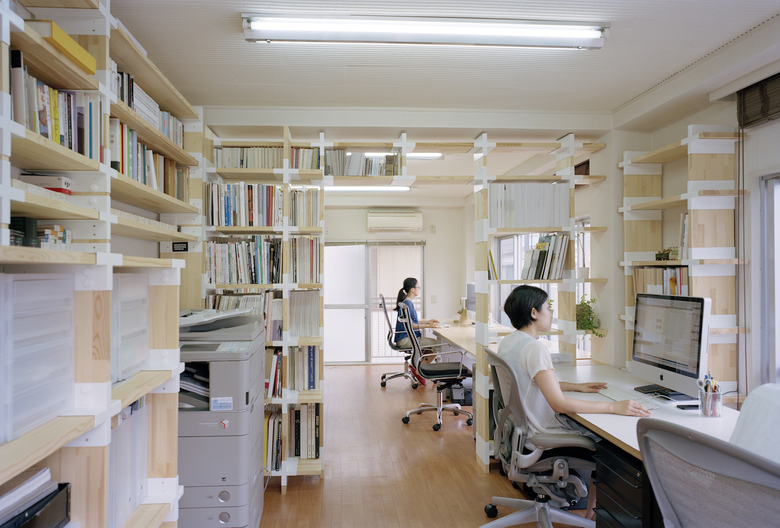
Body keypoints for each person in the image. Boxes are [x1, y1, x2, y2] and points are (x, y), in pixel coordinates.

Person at [496, 285, 652, 519]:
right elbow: (558, 405)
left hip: (520, 436)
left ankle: (591, 515)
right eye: (547, 308)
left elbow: (532, 381)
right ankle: (592, 518)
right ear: (534, 313)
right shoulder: (535, 348)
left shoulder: (510, 342)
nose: (551, 313)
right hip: (541, 440)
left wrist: (576, 386)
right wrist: (613, 407)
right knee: (608, 447)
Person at [395, 277, 441, 385]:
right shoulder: (408, 304)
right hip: (406, 339)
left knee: (432, 345)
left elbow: (412, 321)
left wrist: (428, 322)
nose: (419, 289)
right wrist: (428, 325)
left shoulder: (406, 302)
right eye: (418, 287)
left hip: (404, 338)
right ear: (412, 289)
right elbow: (412, 325)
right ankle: (419, 371)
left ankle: (416, 367)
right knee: (437, 345)